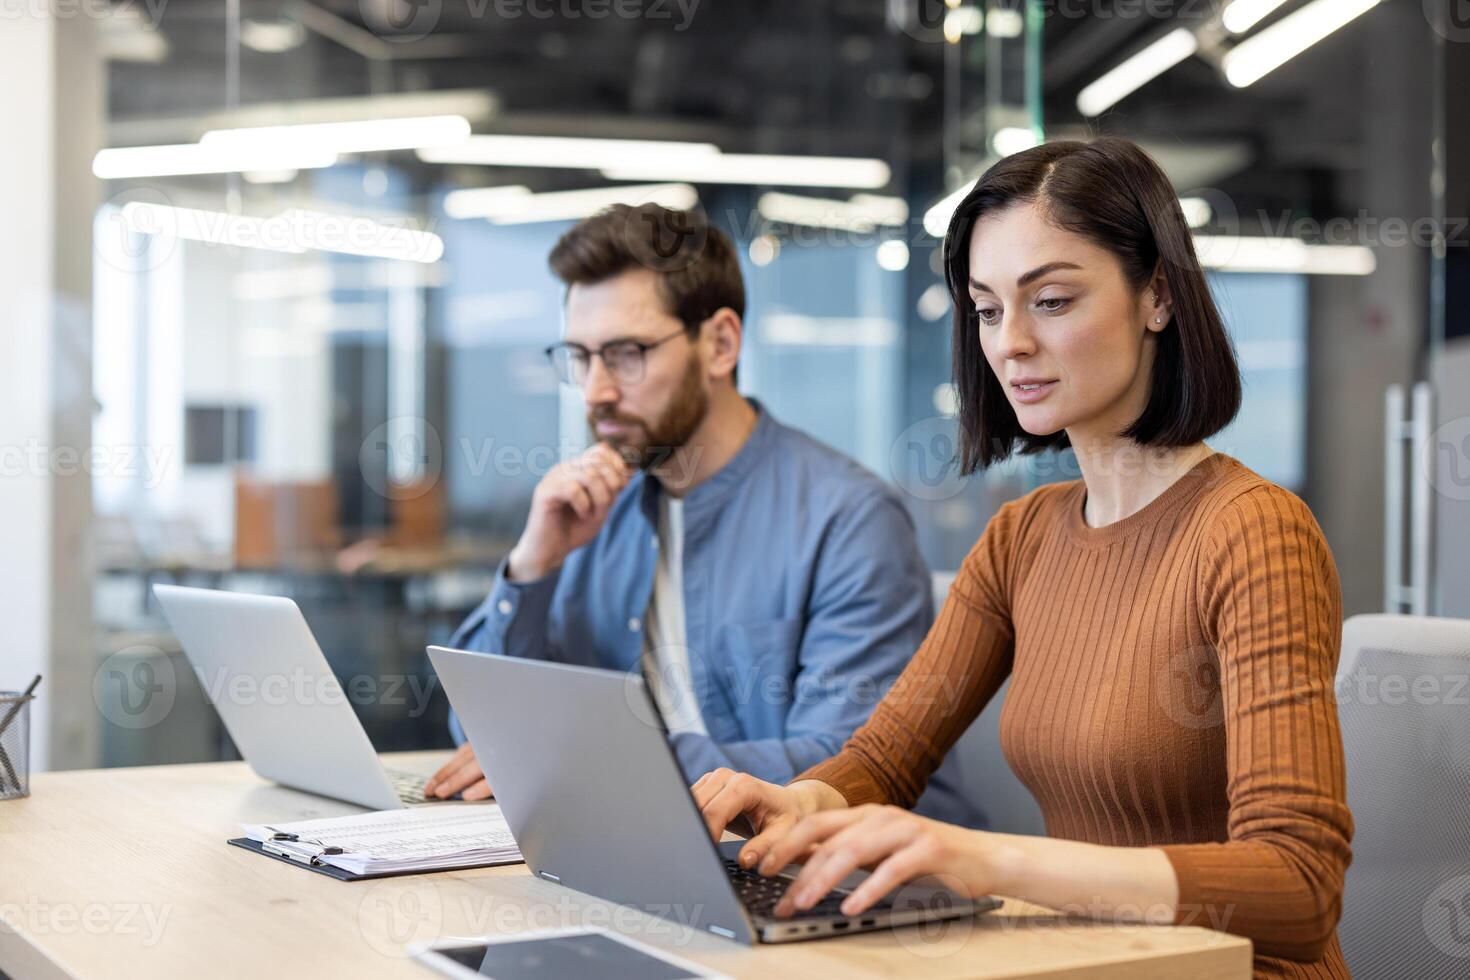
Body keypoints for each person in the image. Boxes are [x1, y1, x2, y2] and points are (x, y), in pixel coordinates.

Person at [692, 138, 1353, 979]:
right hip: (1084, 962)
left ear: (1156, 296)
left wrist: (986, 860)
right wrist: (801, 801)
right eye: (988, 309)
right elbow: (887, 760)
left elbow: (1298, 886)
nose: (1011, 344)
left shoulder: (1253, 531)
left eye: (1050, 300)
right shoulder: (1023, 537)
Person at [425, 203, 981, 828]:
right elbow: (477, 732)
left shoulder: (847, 518)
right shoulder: (594, 513)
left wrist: (602, 760)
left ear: (719, 344)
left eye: (626, 353)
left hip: (838, 879)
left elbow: (845, 763)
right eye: (580, 357)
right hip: (651, 847)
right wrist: (534, 566)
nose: (596, 391)